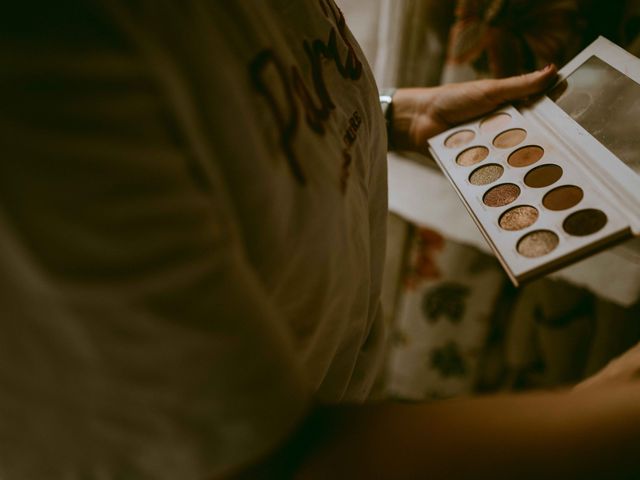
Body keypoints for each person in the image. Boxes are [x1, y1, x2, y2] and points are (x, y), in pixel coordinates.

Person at [0, 1, 639, 479]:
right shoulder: (47, 53)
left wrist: (393, 110)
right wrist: (612, 408)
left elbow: (240, 98)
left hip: (329, 391)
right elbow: (278, 461)